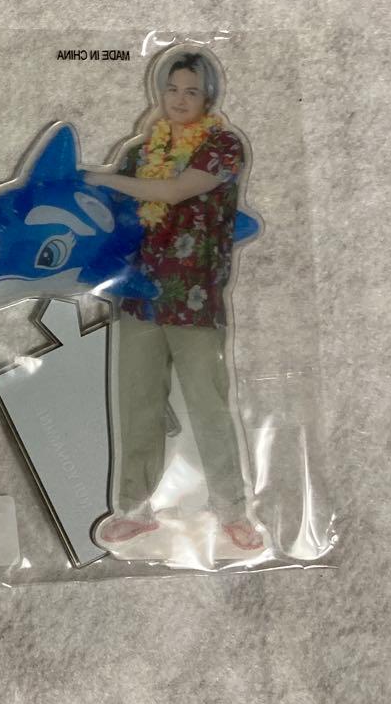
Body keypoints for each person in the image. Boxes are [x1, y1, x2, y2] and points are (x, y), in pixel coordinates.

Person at [86, 49, 263, 552]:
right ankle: (133, 509)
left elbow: (173, 191)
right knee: (137, 404)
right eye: (172, 89)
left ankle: (232, 510)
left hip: (194, 299)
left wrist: (101, 178)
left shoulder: (223, 146)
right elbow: (114, 219)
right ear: (159, 91)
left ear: (208, 96)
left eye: (191, 91)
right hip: (138, 297)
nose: (180, 99)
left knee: (208, 405)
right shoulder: (140, 151)